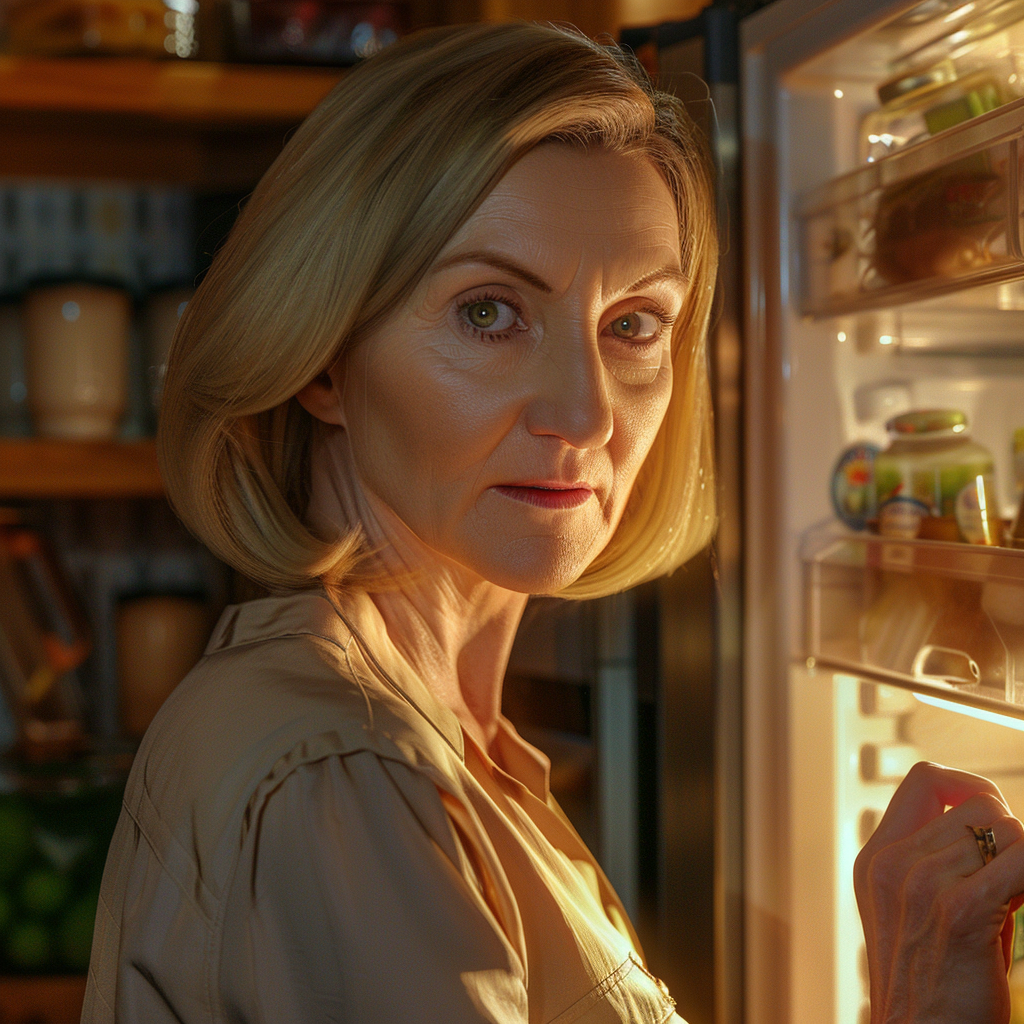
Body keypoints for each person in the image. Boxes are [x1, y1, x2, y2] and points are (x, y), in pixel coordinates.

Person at [81, 20, 1024, 1024]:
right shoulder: (348, 780)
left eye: (632, 326)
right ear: (321, 356)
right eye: (490, 312)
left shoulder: (437, 738)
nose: (585, 414)